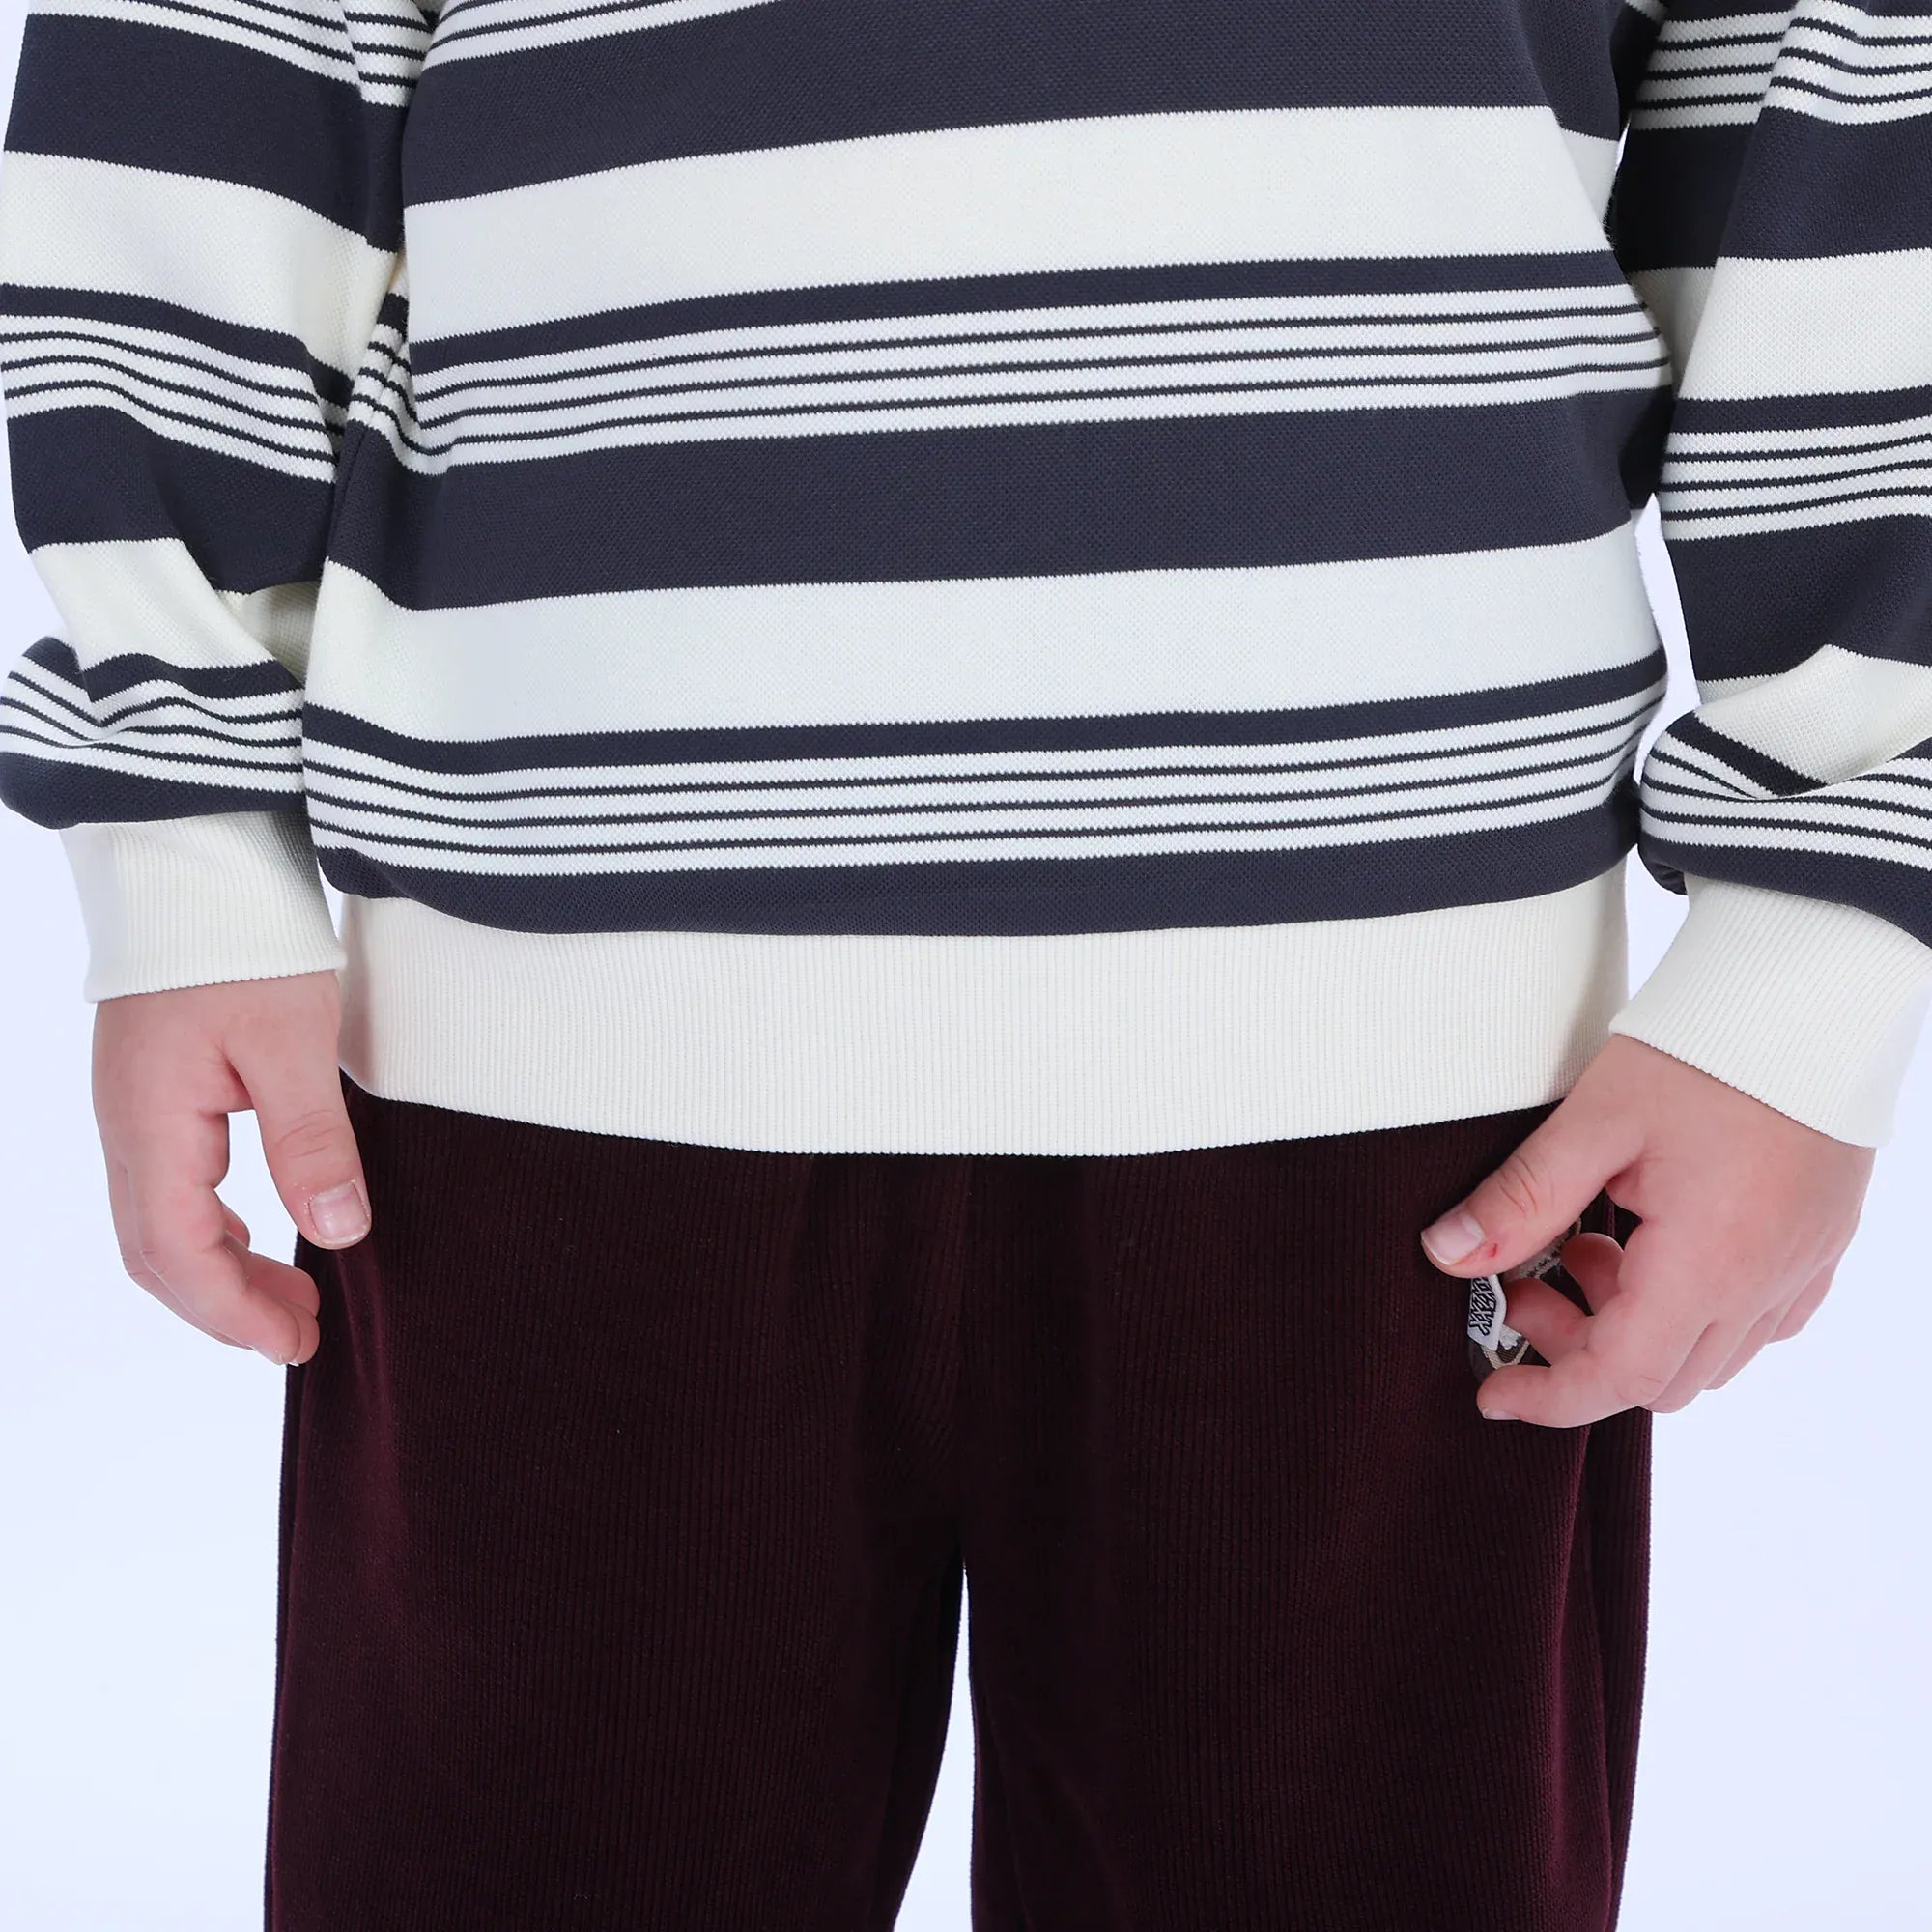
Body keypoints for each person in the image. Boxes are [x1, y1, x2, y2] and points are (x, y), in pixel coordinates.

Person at [1, 1, 1925, 1925]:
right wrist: (185, 844)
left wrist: (1807, 960)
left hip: (1407, 1072)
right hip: (562, 1023)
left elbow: (1828, 86)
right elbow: (218, 52)